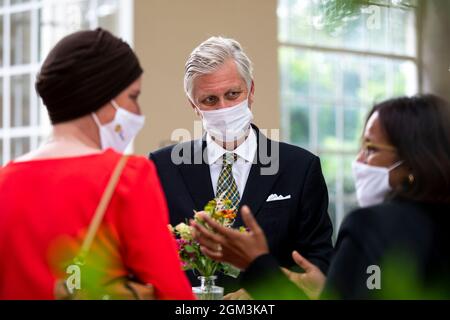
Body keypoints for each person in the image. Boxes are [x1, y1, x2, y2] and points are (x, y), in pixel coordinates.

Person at [192, 94, 450, 299]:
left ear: (414, 161)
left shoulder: (371, 225)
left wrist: (258, 263)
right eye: (210, 99)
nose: (359, 160)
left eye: (371, 149)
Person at [0, 28, 194, 300]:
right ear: (101, 96)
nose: (138, 113)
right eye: (133, 97)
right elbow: (173, 294)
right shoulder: (127, 177)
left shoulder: (4, 181)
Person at [150, 36, 333, 295]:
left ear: (251, 91)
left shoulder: (300, 168)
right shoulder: (162, 167)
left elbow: (319, 262)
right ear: (193, 106)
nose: (224, 107)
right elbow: (149, 256)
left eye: (233, 94)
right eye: (210, 100)